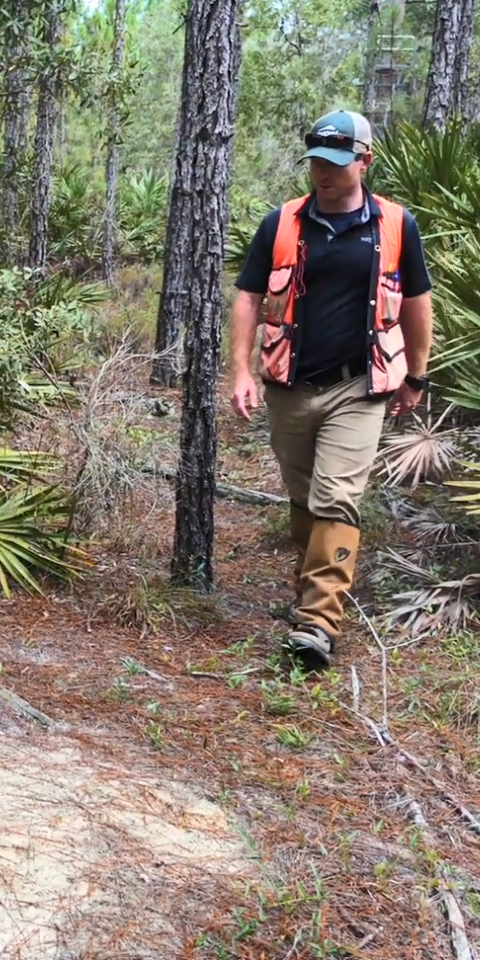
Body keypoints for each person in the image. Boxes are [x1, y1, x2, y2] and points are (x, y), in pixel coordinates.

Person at [227, 109, 434, 670]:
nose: (323, 171)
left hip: (359, 387)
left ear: (364, 162)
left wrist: (416, 373)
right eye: (316, 160)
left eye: (336, 163)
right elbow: (248, 295)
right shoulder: (282, 223)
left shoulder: (394, 225)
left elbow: (416, 303)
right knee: (303, 499)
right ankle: (309, 592)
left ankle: (319, 621)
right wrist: (241, 371)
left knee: (336, 496)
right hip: (290, 386)